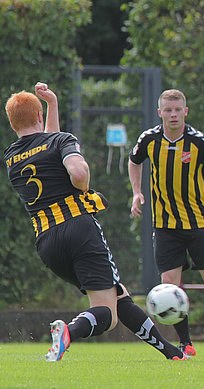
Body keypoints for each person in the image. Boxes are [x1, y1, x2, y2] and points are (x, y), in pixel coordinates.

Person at [3, 83, 188, 361]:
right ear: (38, 116)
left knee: (117, 294)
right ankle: (69, 331)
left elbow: (48, 145)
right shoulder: (62, 141)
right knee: (107, 315)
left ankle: (171, 353)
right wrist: (84, 184)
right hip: (79, 228)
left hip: (47, 242)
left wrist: (53, 104)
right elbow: (77, 173)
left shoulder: (11, 157)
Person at [128, 89, 204, 357]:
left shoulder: (199, 142)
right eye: (168, 110)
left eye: (177, 110)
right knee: (170, 283)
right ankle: (186, 343)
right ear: (159, 113)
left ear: (186, 111)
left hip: (198, 224)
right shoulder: (149, 139)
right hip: (165, 226)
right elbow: (133, 161)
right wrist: (137, 192)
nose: (173, 115)